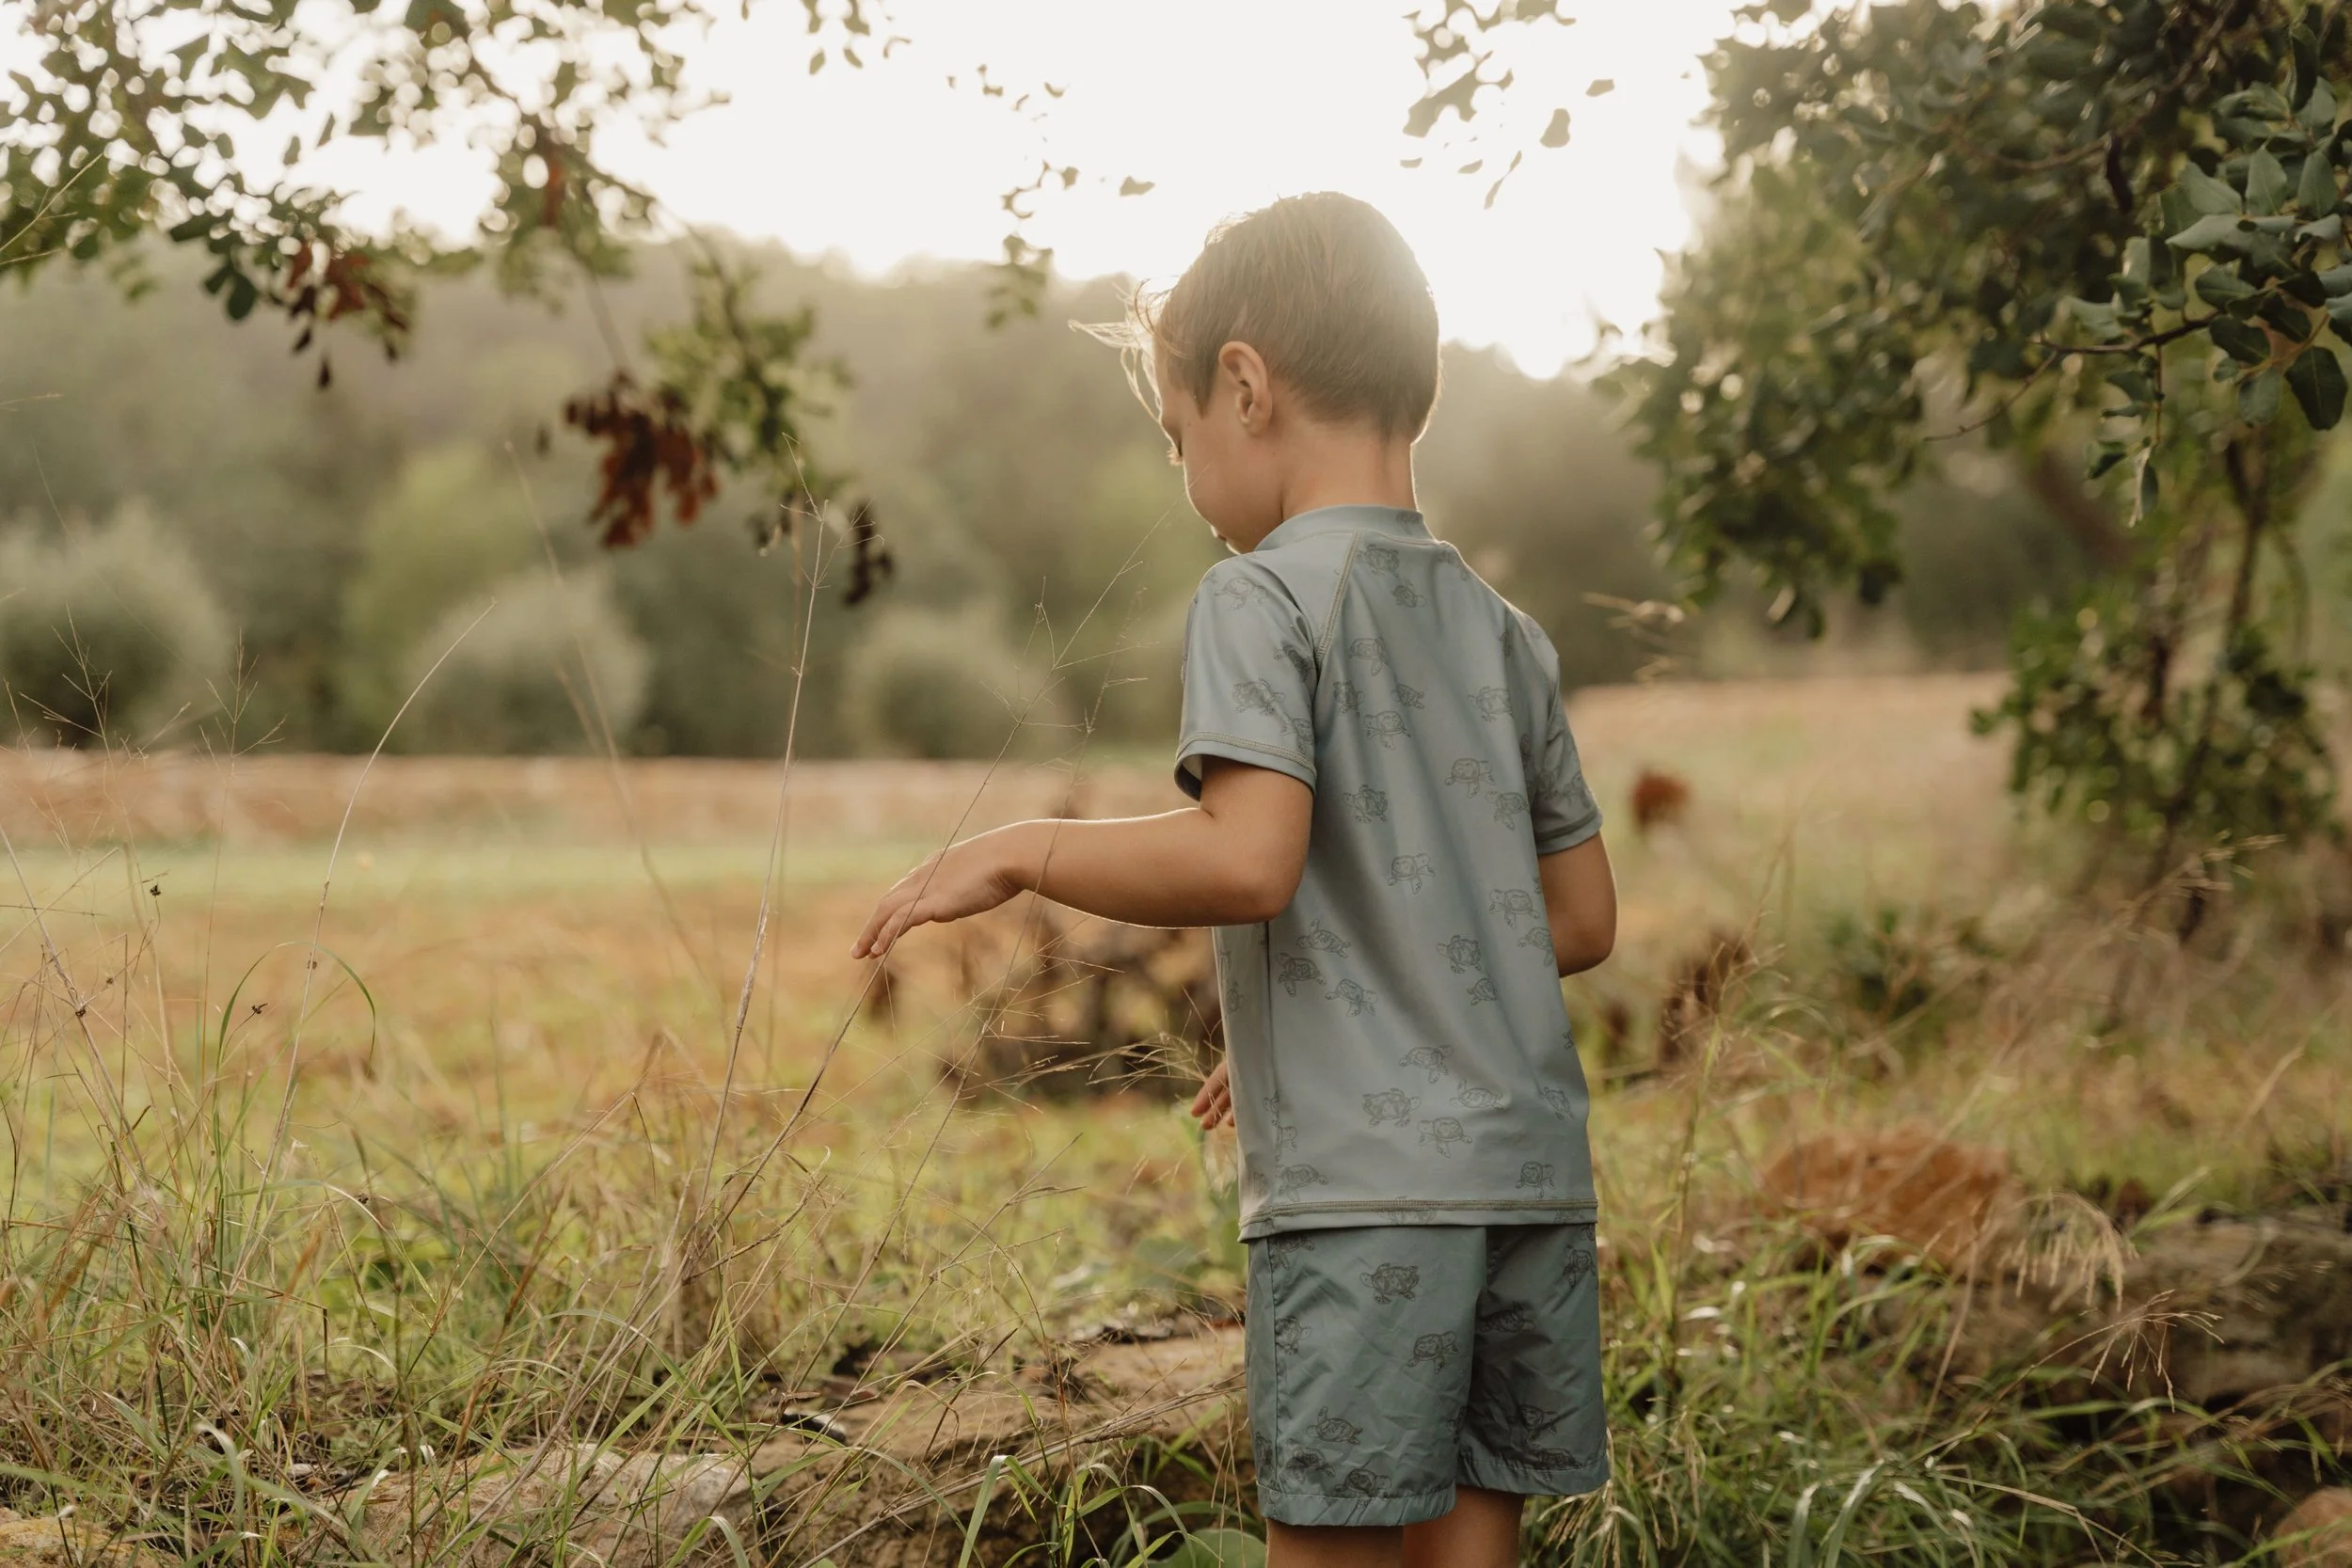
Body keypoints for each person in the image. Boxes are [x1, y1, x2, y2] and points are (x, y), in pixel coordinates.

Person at [852, 191, 1616, 1568]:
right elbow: (1577, 919)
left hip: (1364, 1192)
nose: (1183, 469)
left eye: (1176, 431)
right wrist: (1348, 1012)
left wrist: (1021, 846)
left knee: (1329, 1547)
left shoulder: (1259, 598)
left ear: (1245, 387)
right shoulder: (1509, 634)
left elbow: (1250, 860)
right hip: (1529, 1177)